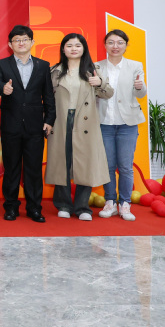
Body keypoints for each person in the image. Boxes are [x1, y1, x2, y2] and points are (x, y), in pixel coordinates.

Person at [0, 25, 55, 223]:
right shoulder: (2, 64)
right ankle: (11, 207)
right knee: (11, 168)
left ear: (32, 42)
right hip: (11, 124)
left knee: (33, 169)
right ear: (10, 44)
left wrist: (49, 120)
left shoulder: (43, 65)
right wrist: (3, 88)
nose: (21, 43)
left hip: (36, 126)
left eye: (25, 39)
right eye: (17, 40)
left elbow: (48, 95)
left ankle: (34, 208)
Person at [46, 33, 113, 221]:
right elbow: (47, 98)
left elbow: (108, 93)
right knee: (62, 163)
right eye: (69, 45)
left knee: (85, 164)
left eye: (78, 45)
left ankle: (83, 207)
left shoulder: (93, 70)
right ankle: (64, 205)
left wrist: (100, 83)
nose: (73, 49)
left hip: (86, 123)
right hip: (61, 121)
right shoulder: (55, 71)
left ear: (84, 48)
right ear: (63, 49)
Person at [97, 30, 146, 221]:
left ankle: (125, 203)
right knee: (108, 166)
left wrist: (141, 87)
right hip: (104, 123)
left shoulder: (135, 66)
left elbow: (140, 94)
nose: (115, 46)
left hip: (127, 124)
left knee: (125, 166)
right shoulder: (96, 66)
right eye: (111, 42)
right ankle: (110, 202)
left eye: (119, 42)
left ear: (126, 45)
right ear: (105, 45)